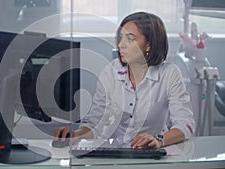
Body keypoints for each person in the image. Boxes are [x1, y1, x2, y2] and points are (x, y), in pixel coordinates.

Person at [53, 12, 195, 149]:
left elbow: (186, 124)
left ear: (148, 45)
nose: (121, 44)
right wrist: (76, 134)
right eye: (121, 38)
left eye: (130, 39)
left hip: (152, 154)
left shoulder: (169, 73)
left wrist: (159, 140)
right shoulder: (111, 71)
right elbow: (95, 121)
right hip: (115, 153)